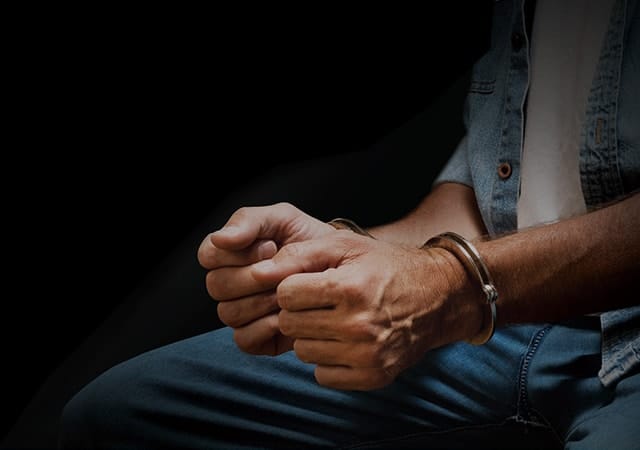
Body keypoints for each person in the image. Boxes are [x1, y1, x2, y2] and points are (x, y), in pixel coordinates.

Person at [58, 0, 639, 448]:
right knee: (117, 415)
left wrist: (451, 285)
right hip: (510, 325)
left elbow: (458, 275)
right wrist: (339, 257)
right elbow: (487, 199)